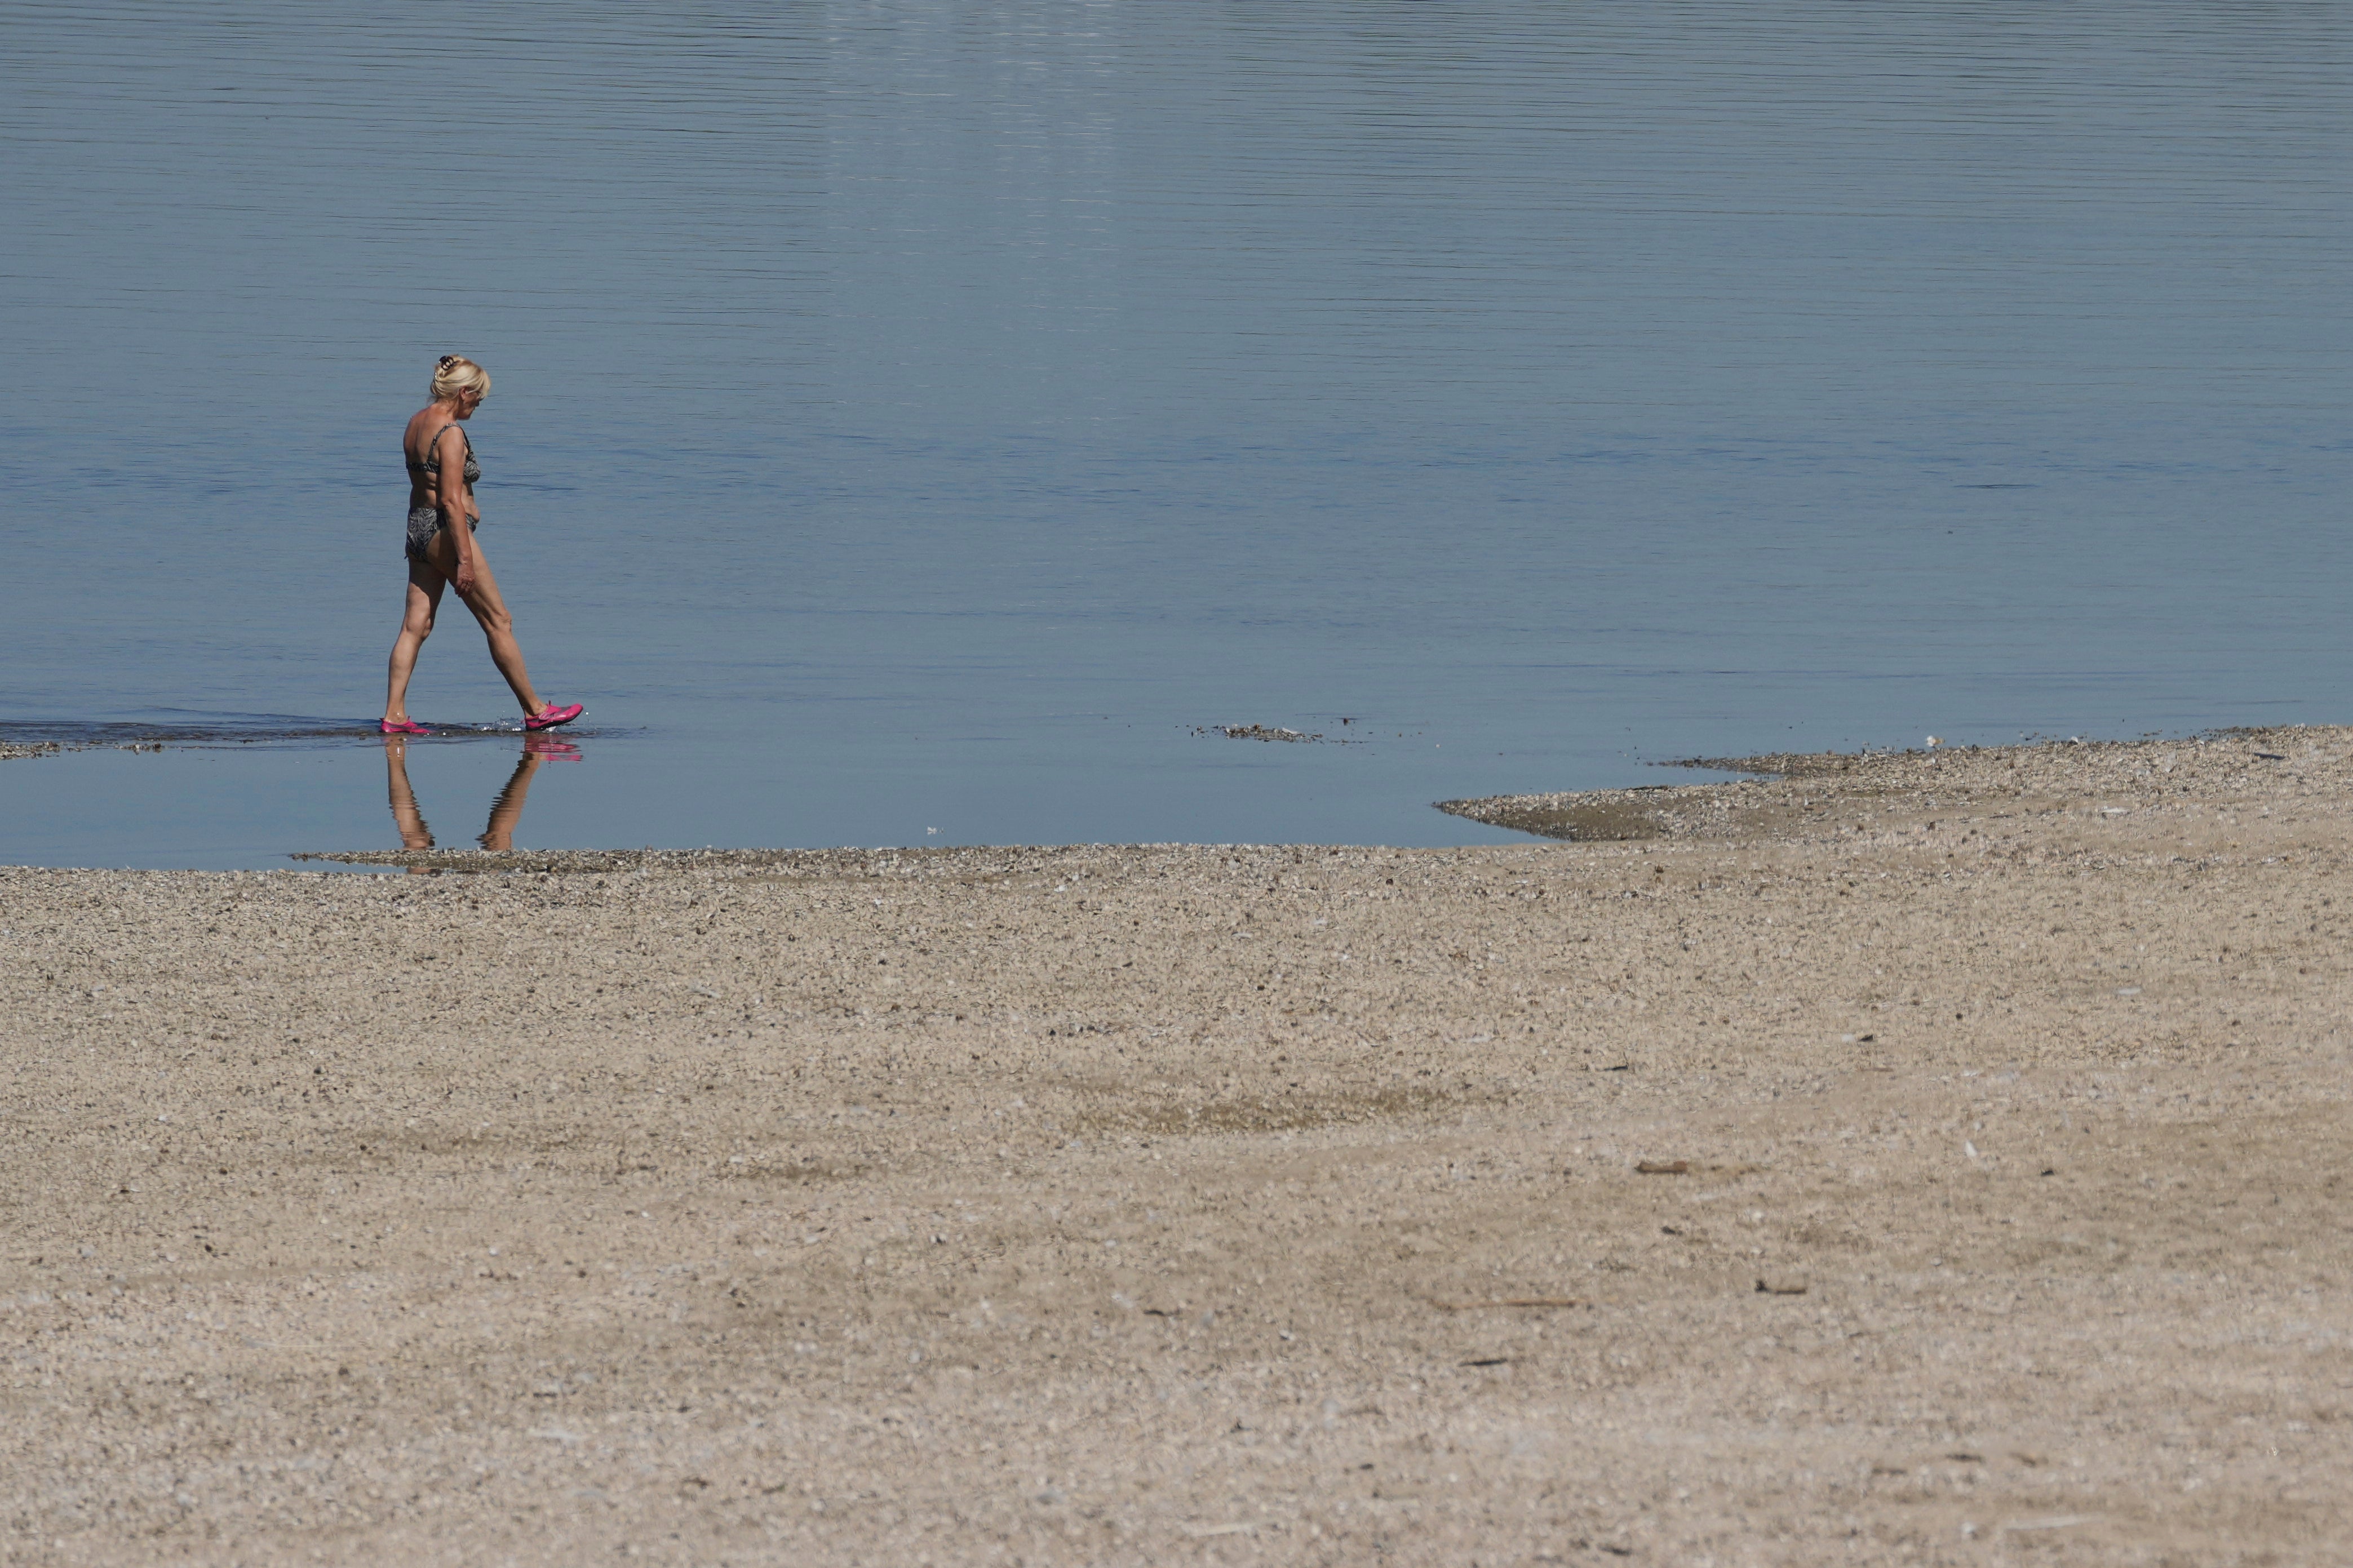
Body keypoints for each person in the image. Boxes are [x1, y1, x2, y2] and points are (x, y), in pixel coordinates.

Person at [380, 354, 582, 735]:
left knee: (415, 626)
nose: (479, 405)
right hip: (445, 531)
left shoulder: (415, 424)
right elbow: (451, 501)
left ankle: (394, 716)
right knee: (498, 620)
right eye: (478, 398)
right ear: (463, 392)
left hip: (416, 528)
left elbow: (425, 488)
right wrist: (465, 561)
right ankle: (536, 710)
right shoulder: (451, 433)